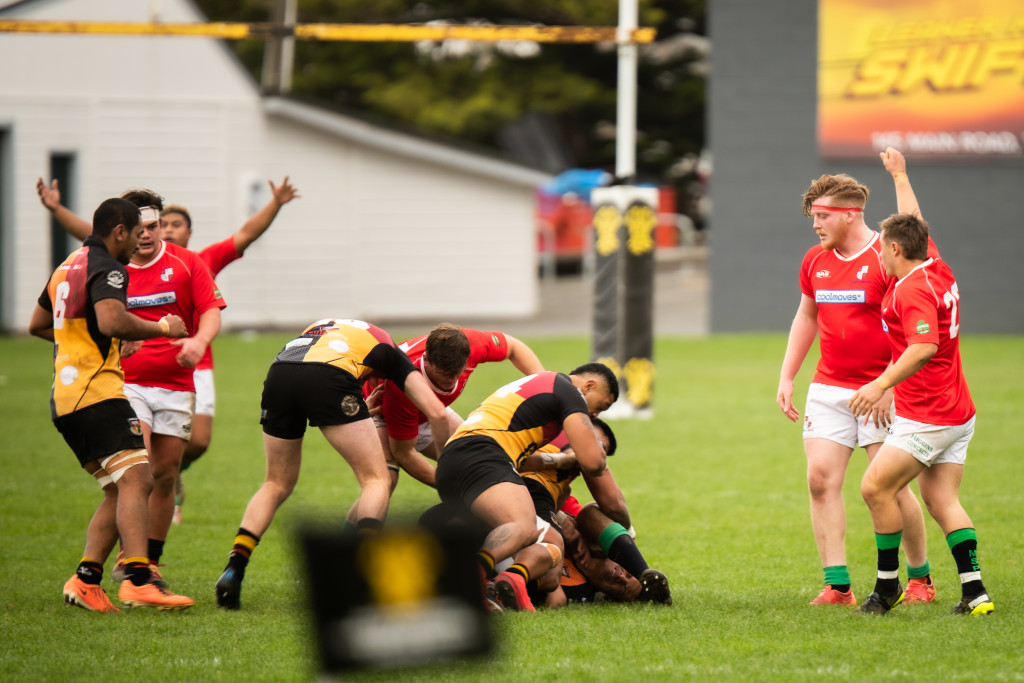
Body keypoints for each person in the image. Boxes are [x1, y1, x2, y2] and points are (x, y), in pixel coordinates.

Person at [37, 176, 300, 524]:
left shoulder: (195, 261)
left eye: (166, 225)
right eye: (143, 227)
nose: (152, 233)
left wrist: (275, 203)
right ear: (125, 230)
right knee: (137, 470)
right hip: (126, 380)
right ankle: (132, 549)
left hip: (189, 369)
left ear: (183, 231)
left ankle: (166, 496)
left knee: (191, 448)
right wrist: (56, 208)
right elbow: (88, 232)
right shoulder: (111, 262)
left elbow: (245, 235)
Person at [777, 166, 936, 606]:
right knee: (819, 480)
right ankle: (837, 585)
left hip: (880, 389)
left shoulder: (887, 255)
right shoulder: (815, 260)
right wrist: (788, 375)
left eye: (822, 215)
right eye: (813, 216)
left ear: (850, 214)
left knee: (890, 487)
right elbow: (806, 316)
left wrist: (890, 386)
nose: (816, 224)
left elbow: (909, 325)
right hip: (828, 388)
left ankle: (920, 579)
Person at [214, 318, 452, 610]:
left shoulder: (330, 327)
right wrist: (449, 469)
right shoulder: (392, 351)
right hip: (330, 376)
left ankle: (234, 568)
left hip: (280, 372)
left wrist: (358, 406)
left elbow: (313, 373)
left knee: (275, 483)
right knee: (377, 480)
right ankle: (362, 577)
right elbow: (438, 414)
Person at [29, 197, 193, 611]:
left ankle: (86, 580)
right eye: (136, 232)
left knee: (119, 489)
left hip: (65, 399)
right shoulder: (109, 267)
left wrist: (103, 339)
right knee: (139, 480)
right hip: (97, 393)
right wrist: (162, 327)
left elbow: (38, 324)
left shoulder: (68, 264)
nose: (139, 241)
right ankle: (138, 579)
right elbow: (111, 319)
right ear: (119, 231)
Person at [849, 149, 993, 616]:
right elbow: (915, 223)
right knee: (940, 498)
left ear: (894, 249)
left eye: (882, 248)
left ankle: (886, 587)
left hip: (929, 414)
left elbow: (923, 346)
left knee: (875, 488)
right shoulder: (933, 264)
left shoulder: (911, 289)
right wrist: (900, 175)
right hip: (958, 410)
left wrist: (880, 384)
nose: (879, 255)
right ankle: (975, 592)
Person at [434, 362, 618, 612]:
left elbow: (523, 459)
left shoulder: (541, 386)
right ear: (588, 387)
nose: (595, 415)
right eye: (602, 406)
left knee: (548, 550)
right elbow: (593, 463)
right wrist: (598, 449)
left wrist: (560, 460)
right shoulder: (569, 391)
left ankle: (505, 583)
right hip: (482, 454)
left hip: (455, 462)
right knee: (524, 526)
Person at [364, 323, 544, 493]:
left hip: (429, 409)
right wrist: (449, 485)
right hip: (379, 408)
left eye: (457, 372)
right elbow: (404, 453)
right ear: (426, 360)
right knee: (384, 482)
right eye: (444, 373)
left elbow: (513, 347)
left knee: (486, 457)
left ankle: (551, 465)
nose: (451, 379)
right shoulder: (401, 388)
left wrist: (544, 385)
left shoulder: (470, 344)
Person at [515, 419, 672, 610]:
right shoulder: (590, 530)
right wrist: (561, 518)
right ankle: (644, 574)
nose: (621, 577)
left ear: (609, 597)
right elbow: (609, 507)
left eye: (622, 587)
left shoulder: (579, 590)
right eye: (628, 574)